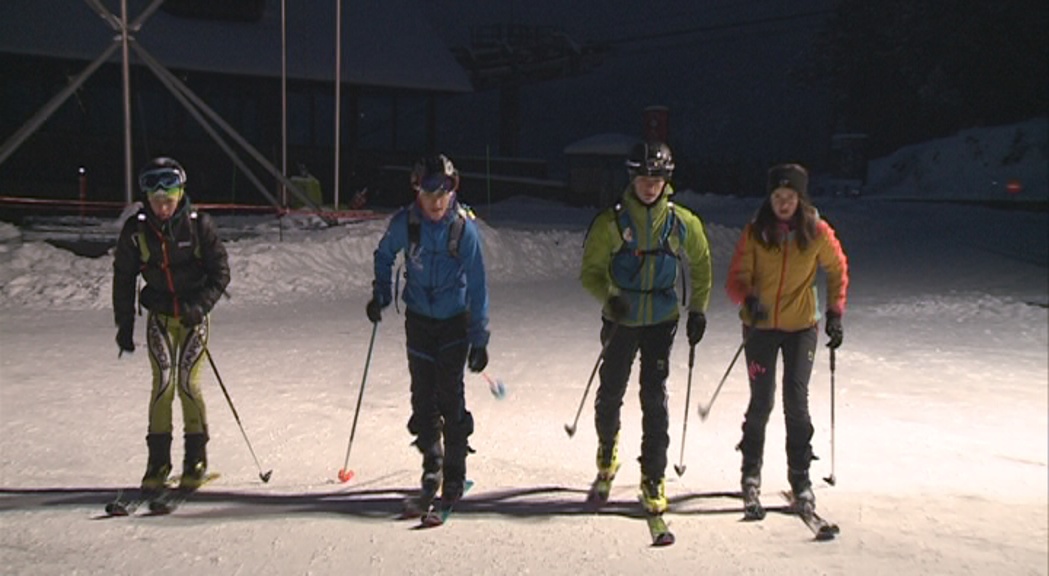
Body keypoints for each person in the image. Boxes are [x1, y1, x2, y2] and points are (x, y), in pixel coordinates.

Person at [579, 140, 713, 515]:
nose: (650, 186)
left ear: (666, 180)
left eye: (657, 178)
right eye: (643, 178)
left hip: (661, 320)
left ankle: (653, 474)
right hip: (621, 319)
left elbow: (701, 264)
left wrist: (697, 310)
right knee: (611, 390)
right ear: (632, 179)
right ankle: (608, 445)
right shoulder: (612, 222)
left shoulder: (680, 222)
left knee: (654, 397)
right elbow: (590, 271)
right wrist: (611, 297)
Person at [367, 153, 490, 510]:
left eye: (444, 193)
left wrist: (479, 338)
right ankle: (431, 465)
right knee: (422, 398)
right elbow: (384, 255)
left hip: (455, 321)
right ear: (417, 191)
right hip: (419, 320)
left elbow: (479, 285)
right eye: (430, 193)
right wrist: (381, 292)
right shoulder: (406, 224)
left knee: (449, 395)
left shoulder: (463, 229)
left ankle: (454, 470)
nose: (437, 202)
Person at [725, 163, 849, 515]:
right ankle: (751, 474)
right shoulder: (756, 232)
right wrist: (748, 298)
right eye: (777, 196)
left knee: (796, 401)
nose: (783, 203)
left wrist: (835, 312)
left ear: (800, 198)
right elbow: (737, 277)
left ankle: (801, 478)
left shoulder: (816, 231)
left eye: (789, 196)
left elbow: (837, 267)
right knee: (761, 401)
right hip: (760, 328)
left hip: (800, 328)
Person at [112, 157, 231, 495]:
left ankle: (195, 459)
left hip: (193, 318)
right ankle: (157, 463)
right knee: (163, 385)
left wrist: (201, 305)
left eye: (169, 199)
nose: (163, 207)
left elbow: (221, 272)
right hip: (161, 317)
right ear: (146, 200)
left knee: (188, 384)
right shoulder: (136, 231)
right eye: (156, 201)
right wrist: (124, 325)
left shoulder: (198, 225)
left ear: (181, 194)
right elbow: (123, 278)